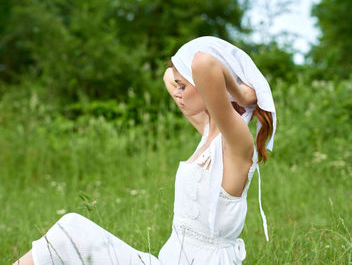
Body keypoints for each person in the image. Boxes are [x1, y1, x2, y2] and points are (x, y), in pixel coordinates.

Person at [14, 36, 276, 265]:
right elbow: (168, 77)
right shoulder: (209, 131)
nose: (178, 93)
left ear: (208, 88)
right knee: (70, 229)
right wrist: (187, 78)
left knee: (68, 233)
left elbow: (203, 63)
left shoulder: (236, 142)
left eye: (184, 86)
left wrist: (241, 94)